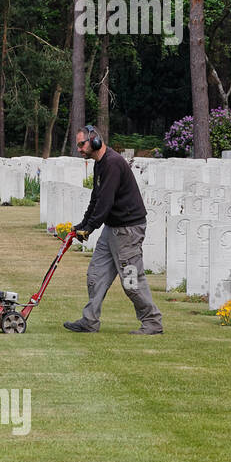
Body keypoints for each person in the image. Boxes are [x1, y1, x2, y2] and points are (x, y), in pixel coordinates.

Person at [64, 125, 164, 335]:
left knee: (131, 279)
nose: (79, 149)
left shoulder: (112, 163)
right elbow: (96, 198)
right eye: (78, 145)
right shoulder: (100, 163)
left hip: (128, 230)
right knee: (96, 273)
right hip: (113, 228)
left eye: (82, 144)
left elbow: (106, 203)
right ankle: (89, 320)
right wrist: (82, 226)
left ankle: (152, 322)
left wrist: (90, 228)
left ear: (95, 141)